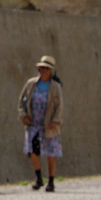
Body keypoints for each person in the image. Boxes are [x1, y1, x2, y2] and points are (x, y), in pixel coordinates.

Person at [18, 55, 63, 192]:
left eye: (46, 69)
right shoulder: (31, 84)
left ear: (50, 71)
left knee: (50, 153)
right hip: (33, 124)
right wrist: (23, 115)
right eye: (41, 68)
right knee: (33, 151)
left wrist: (56, 121)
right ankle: (38, 178)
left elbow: (59, 106)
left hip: (48, 125)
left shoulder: (55, 87)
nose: (43, 71)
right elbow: (22, 101)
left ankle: (51, 180)